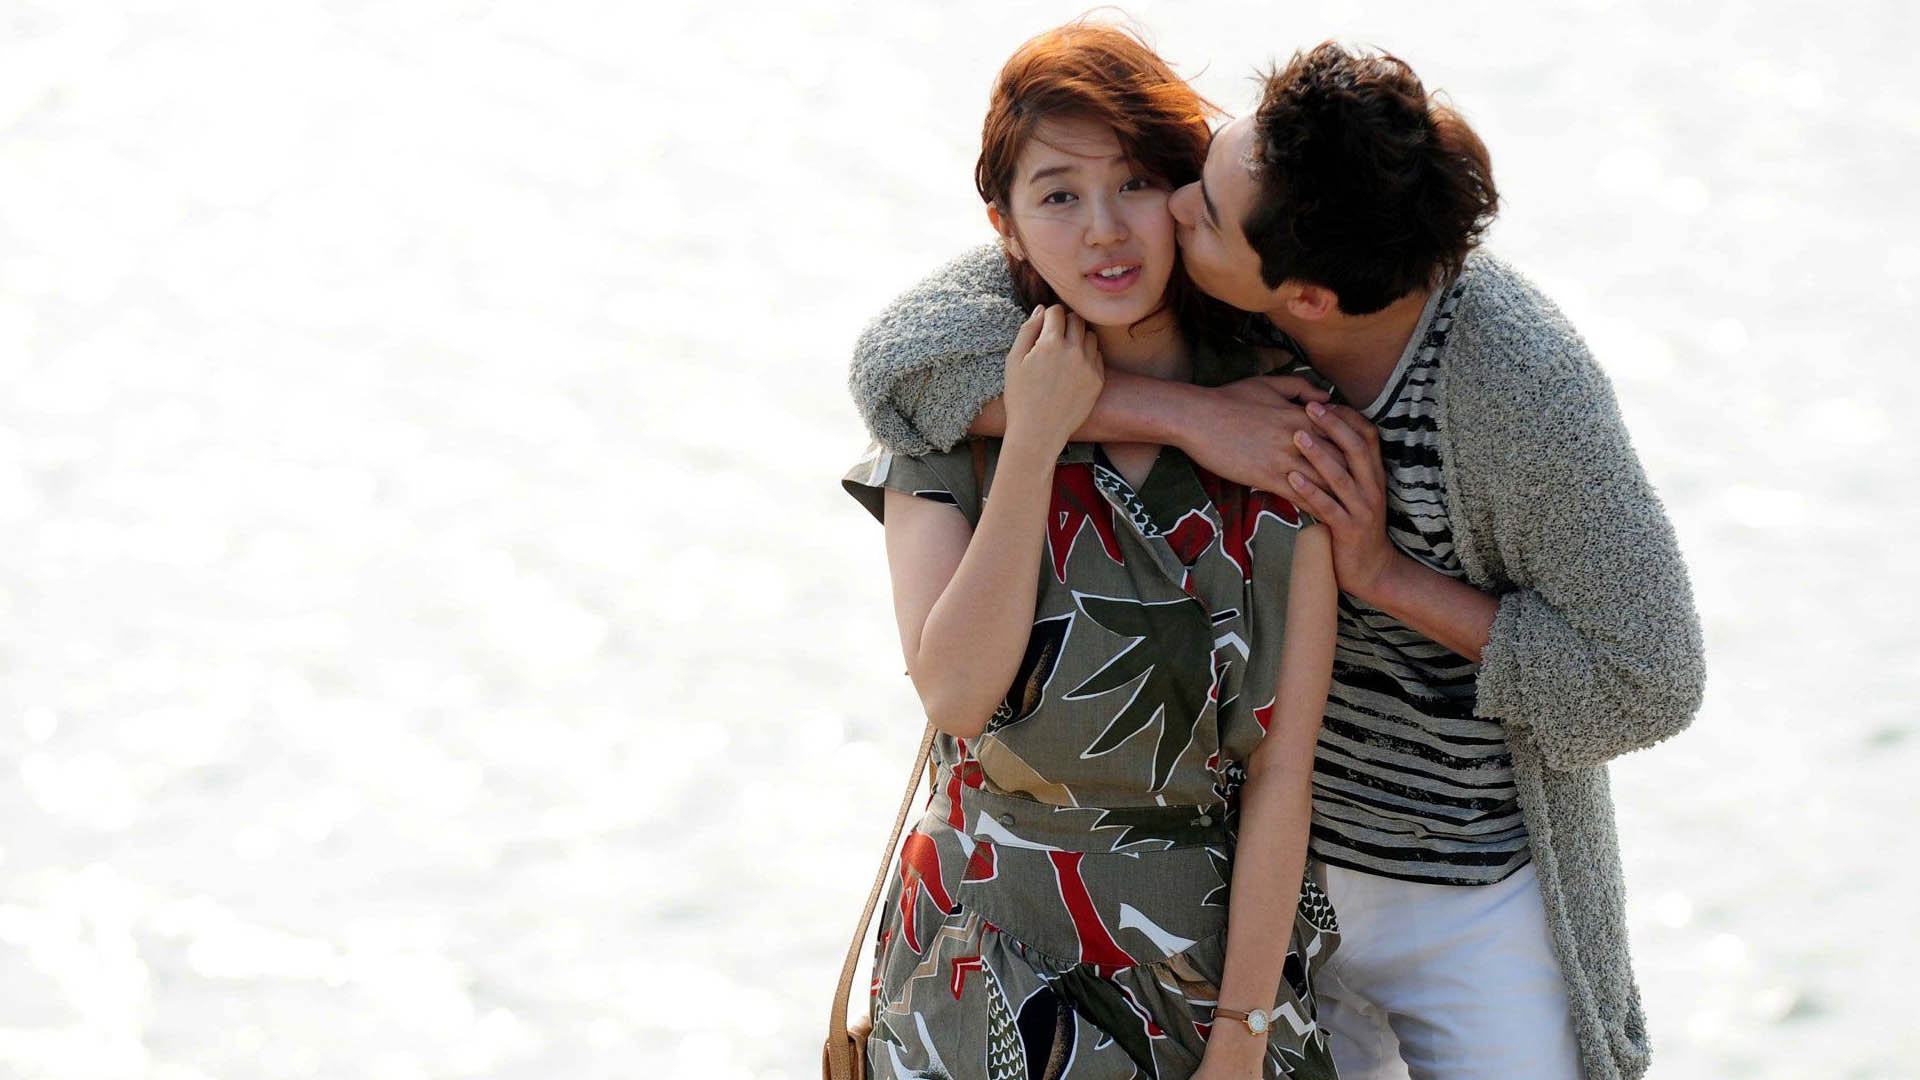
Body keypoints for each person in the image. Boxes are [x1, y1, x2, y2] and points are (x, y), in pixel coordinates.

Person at [845, 40, 1706, 1080]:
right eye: (1065, 196)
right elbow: (899, 361)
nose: (1152, 217)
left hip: (1456, 889)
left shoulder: (1476, 392)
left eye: (1182, 199)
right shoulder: (1123, 308)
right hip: (1172, 918)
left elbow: (1646, 681)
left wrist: (1384, 575)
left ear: (1299, 297)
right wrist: (1165, 417)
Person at [842, 23, 1351, 1080]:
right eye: (1059, 195)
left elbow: (1280, 772)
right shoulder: (947, 431)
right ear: (1006, 225)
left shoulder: (1278, 422)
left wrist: (1242, 1038)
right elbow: (958, 696)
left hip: (1204, 971)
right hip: (977, 971)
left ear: (1182, 193)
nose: (1104, 230)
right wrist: (1034, 437)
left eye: (1133, 184)